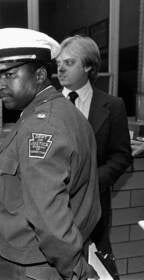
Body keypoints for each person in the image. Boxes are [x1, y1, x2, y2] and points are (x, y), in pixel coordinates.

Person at [0, 28, 100, 280]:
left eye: (10, 75)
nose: (1, 85)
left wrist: (76, 271)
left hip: (33, 266)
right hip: (38, 258)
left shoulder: (42, 126)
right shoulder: (50, 112)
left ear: (39, 75)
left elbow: (48, 215)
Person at [56, 35, 132, 279]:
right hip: (53, 208)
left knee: (98, 267)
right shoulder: (47, 104)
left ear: (88, 66)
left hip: (95, 207)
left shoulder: (113, 106)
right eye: (58, 63)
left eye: (69, 62)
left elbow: (121, 157)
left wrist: (90, 182)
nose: (60, 68)